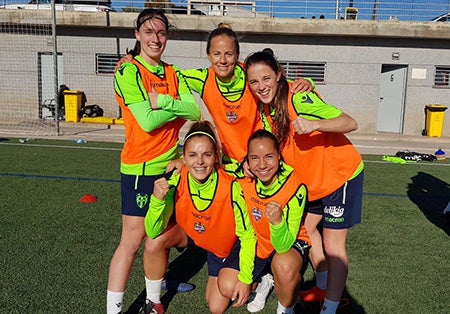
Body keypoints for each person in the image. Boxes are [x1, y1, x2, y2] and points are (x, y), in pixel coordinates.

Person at [244, 50, 364, 314]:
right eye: (254, 82)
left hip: (339, 176)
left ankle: (330, 308)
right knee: (307, 232)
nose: (261, 86)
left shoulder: (298, 97)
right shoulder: (265, 109)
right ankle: (318, 288)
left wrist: (314, 124)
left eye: (266, 78)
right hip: (310, 185)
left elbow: (349, 122)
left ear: (278, 75)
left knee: (333, 245)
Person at [107, 9, 201, 314]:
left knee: (165, 234)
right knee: (132, 242)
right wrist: (178, 108)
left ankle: (156, 291)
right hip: (141, 169)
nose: (155, 38)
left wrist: (163, 101)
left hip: (171, 164)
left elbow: (195, 112)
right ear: (137, 35)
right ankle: (114, 310)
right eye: (148, 32)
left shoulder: (173, 73)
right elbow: (146, 122)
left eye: (161, 33)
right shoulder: (128, 71)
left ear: (168, 36)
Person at [143, 121, 257, 314]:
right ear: (184, 157)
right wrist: (157, 201)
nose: (200, 162)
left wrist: (246, 279)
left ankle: (261, 278)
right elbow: (152, 230)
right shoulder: (176, 178)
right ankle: (153, 303)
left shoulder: (231, 185)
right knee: (154, 241)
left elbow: (247, 236)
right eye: (192, 155)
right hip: (196, 235)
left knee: (217, 305)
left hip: (224, 247)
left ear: (216, 157)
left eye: (207, 154)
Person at [226, 129, 310, 314]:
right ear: (247, 160)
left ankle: (285, 309)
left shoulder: (295, 186)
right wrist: (246, 278)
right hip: (259, 244)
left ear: (279, 156)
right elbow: (246, 234)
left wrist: (278, 222)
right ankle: (266, 281)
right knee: (227, 287)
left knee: (283, 265)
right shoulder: (242, 183)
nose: (262, 164)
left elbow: (283, 245)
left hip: (289, 244)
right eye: (254, 158)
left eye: (269, 156)